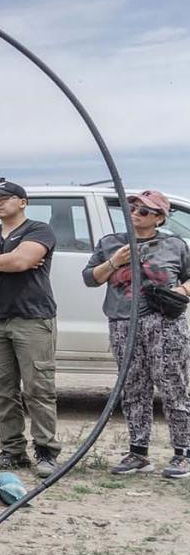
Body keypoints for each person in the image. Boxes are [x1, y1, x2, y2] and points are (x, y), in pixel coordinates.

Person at [83, 190, 190, 479]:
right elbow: (90, 278)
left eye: (144, 211)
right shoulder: (110, 243)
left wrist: (181, 290)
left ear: (159, 218)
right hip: (122, 323)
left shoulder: (174, 244)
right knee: (132, 388)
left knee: (173, 387)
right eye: (132, 206)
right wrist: (114, 262)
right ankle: (138, 452)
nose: (135, 212)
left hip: (165, 324)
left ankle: (183, 453)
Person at [0, 181, 61, 478]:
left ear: (23, 202)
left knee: (38, 388)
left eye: (4, 198)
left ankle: (46, 451)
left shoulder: (38, 230)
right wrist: (0, 262)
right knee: (2, 391)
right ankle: (12, 450)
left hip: (32, 318)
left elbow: (22, 261)